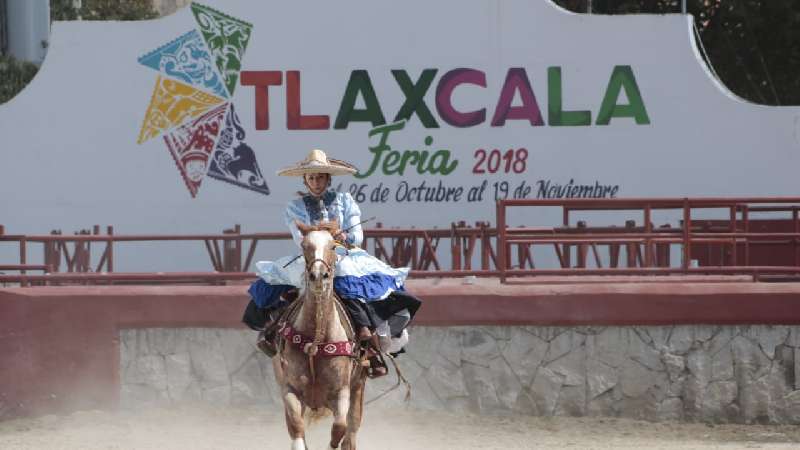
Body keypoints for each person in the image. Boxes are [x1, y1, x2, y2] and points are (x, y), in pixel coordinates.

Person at [241, 149, 421, 377]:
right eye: (311, 177)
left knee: (348, 275)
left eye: (320, 177)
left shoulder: (346, 201)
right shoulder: (294, 207)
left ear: (328, 178)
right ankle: (272, 333)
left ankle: (368, 339)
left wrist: (344, 237)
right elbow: (300, 238)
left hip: (343, 254)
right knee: (271, 284)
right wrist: (319, 237)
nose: (316, 181)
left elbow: (357, 235)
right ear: (305, 180)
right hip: (311, 253)